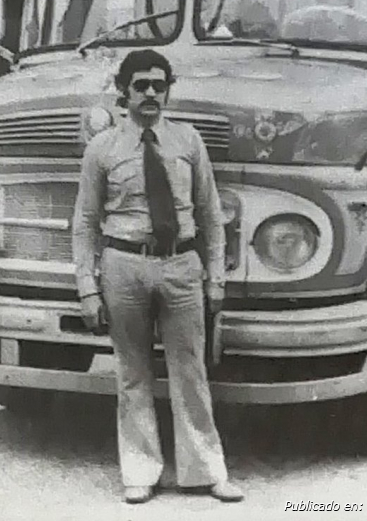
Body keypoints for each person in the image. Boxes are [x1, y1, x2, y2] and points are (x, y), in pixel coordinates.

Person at [72, 49, 243, 505]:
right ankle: (141, 471)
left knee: (191, 370)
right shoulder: (102, 149)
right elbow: (85, 223)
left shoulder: (188, 141)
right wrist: (87, 287)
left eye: (159, 85)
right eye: (141, 84)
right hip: (123, 265)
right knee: (132, 373)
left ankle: (206, 471)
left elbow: (210, 214)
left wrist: (215, 279)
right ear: (123, 91)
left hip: (181, 265)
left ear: (168, 91)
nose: (150, 93)